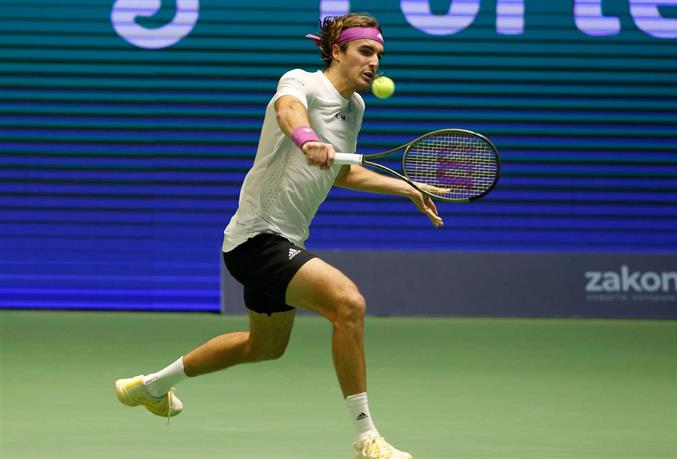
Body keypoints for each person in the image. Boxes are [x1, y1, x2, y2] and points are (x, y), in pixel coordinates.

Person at [115, 13, 444, 459]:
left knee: (264, 346)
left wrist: (407, 188)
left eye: (379, 55)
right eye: (365, 51)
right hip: (257, 238)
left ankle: (150, 387)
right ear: (337, 52)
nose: (374, 63)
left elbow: (342, 172)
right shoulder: (301, 82)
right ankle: (367, 437)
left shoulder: (355, 108)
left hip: (283, 241)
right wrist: (307, 139)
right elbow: (289, 112)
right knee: (349, 304)